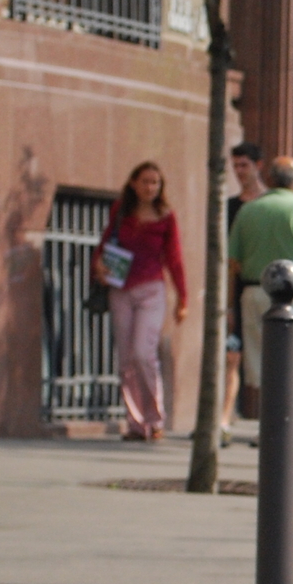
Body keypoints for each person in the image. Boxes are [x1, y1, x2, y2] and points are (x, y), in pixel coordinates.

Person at [224, 156, 293, 440]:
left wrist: (229, 306)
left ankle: (272, 423)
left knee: (263, 363)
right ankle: (282, 421)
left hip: (253, 293)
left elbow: (232, 264)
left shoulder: (249, 210)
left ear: (269, 179)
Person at [102, 161, 187, 442]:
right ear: (133, 184)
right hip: (120, 288)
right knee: (126, 359)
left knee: (143, 354)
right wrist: (98, 267)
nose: (150, 187)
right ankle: (136, 424)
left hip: (151, 289)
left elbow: (174, 258)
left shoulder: (165, 216)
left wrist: (182, 297)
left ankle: (155, 419)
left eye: (155, 183)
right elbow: (104, 245)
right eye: (146, 181)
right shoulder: (121, 212)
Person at [221, 141, 266, 424]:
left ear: (258, 166)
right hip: (237, 290)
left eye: (244, 165)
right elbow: (228, 260)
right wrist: (227, 304)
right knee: (232, 356)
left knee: (267, 357)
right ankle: (224, 419)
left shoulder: (268, 206)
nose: (239, 171)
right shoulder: (229, 207)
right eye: (235, 166)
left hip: (267, 288)